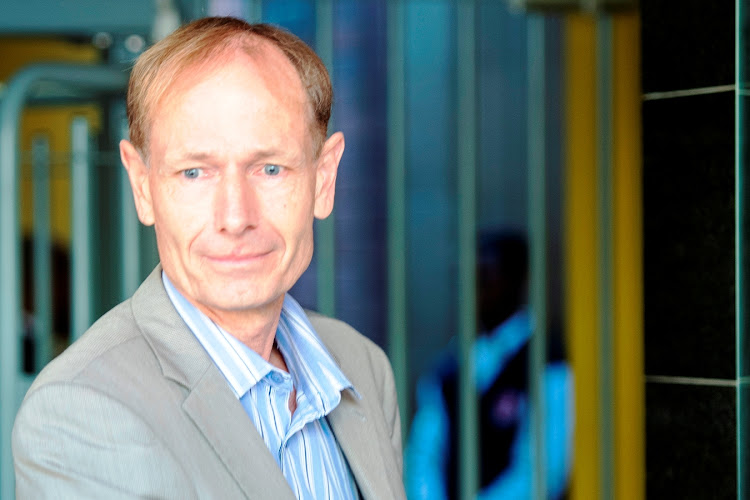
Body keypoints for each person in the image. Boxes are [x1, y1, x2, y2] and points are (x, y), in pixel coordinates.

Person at [12, 17, 405, 499]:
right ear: (143, 187)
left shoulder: (362, 367)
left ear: (323, 179)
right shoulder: (80, 409)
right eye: (195, 172)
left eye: (270, 168)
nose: (236, 216)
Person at [405, 232, 572, 499]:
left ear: (517, 279)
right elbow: (423, 458)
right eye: (468, 279)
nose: (475, 289)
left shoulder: (549, 361)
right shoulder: (449, 368)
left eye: (486, 276)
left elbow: (545, 471)